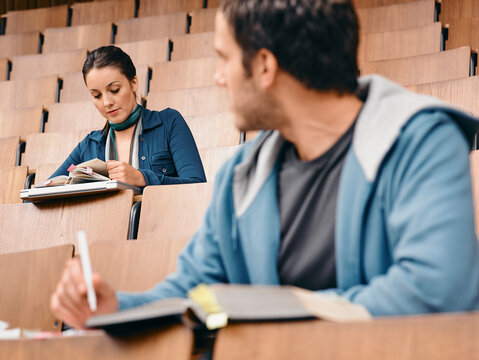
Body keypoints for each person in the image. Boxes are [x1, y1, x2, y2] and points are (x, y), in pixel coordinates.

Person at [51, 0, 479, 328]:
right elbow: (192, 289)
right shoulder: (242, 174)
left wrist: (278, 311)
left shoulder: (421, 142)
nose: (219, 77)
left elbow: (436, 290)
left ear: (264, 66)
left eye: (224, 59)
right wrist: (114, 308)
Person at [49, 45, 206, 187]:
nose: (106, 102)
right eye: (96, 95)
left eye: (115, 89)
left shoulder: (169, 122)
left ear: (134, 83)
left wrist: (142, 178)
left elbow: (196, 185)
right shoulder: (89, 145)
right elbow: (49, 186)